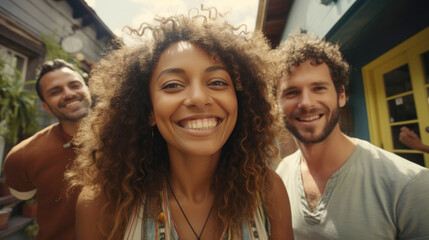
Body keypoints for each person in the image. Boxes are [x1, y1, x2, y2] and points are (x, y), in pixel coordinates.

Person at [66, 8, 293, 240]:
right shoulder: (103, 204)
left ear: (240, 101)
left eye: (216, 82)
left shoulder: (268, 193)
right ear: (149, 111)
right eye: (173, 85)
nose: (198, 98)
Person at [274, 33, 429, 239]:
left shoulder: (410, 185)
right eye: (291, 92)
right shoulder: (282, 174)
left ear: (341, 95)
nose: (306, 103)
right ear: (276, 104)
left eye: (318, 88)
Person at [3, 59, 91, 239]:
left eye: (74, 85)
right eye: (55, 91)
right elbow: (23, 194)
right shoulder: (24, 155)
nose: (68, 94)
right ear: (46, 107)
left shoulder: (126, 137)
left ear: (87, 89)